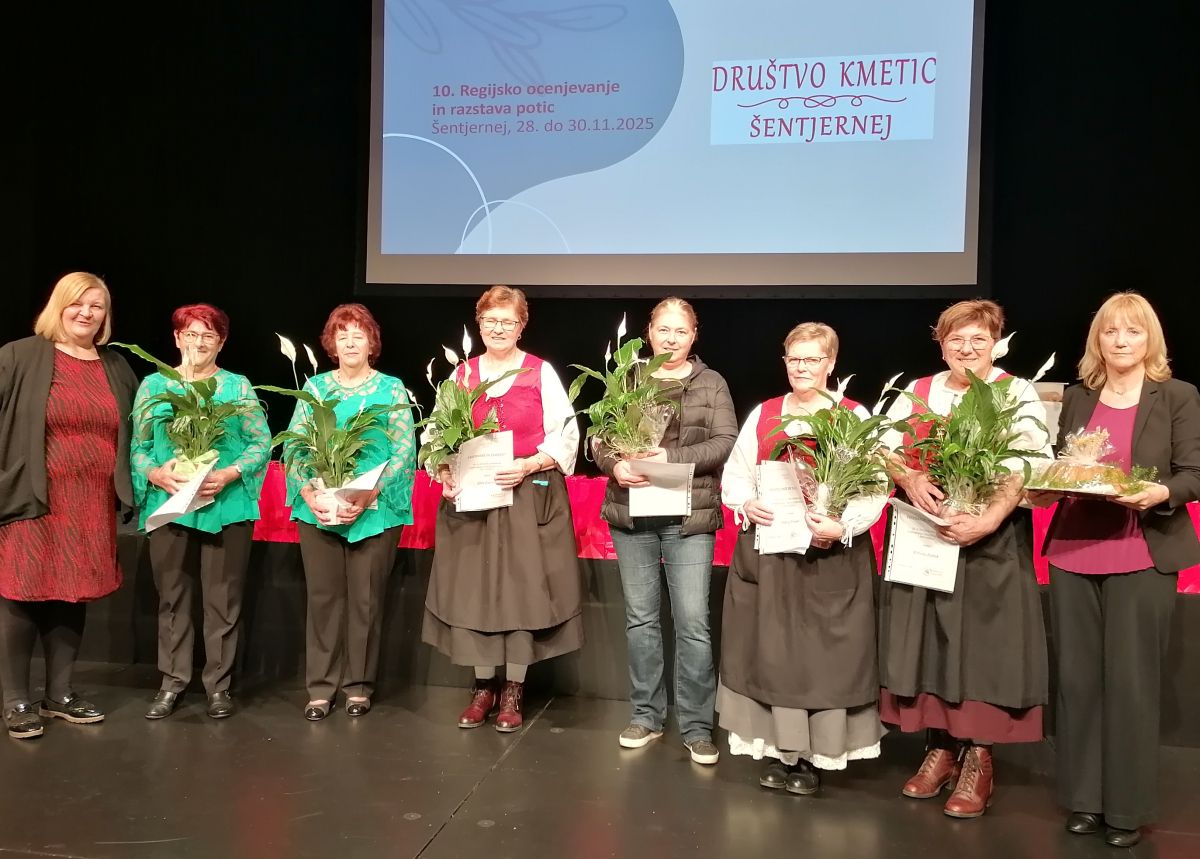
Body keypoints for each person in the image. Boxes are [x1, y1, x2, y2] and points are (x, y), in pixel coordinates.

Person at [1031, 292, 1200, 848]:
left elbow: (1193, 473)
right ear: (1097, 340)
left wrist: (1159, 493)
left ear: (1150, 339)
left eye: (1132, 331)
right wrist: (1046, 484)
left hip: (1141, 554)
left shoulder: (1177, 395)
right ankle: (1084, 800)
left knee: (1130, 684)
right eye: (1110, 331)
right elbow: (1065, 465)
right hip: (1073, 553)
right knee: (1078, 683)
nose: (1120, 341)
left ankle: (1126, 810)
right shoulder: (1078, 396)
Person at [878, 298, 1051, 818]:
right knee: (929, 642)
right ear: (941, 344)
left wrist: (990, 519)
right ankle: (940, 749)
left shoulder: (1015, 392)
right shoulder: (918, 392)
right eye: (956, 339)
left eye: (979, 339)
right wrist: (909, 476)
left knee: (982, 647)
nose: (967, 348)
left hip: (989, 540)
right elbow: (882, 447)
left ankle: (979, 757)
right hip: (927, 535)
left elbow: (1029, 464)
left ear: (996, 344)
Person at [718, 322, 886, 793]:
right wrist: (745, 501)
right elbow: (736, 473)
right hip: (772, 556)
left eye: (812, 359)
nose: (802, 368)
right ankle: (781, 750)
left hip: (829, 559)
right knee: (774, 656)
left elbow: (875, 485)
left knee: (821, 660)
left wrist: (842, 525)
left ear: (831, 363)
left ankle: (814, 757)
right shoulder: (765, 413)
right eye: (794, 359)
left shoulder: (852, 415)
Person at [423, 285, 583, 732]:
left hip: (526, 498)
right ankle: (482, 687)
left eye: (507, 322)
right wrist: (445, 470)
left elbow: (566, 435)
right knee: (476, 591)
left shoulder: (539, 372)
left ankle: (513, 688)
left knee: (520, 592)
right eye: (491, 321)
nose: (498, 329)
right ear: (479, 324)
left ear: (521, 326)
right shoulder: (462, 376)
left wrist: (529, 464)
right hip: (475, 502)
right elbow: (436, 433)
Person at [595, 297, 737, 765]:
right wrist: (615, 466)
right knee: (641, 620)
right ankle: (646, 716)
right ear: (649, 333)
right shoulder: (627, 378)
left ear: (693, 336)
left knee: (693, 622)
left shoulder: (712, 382)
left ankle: (696, 727)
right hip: (633, 513)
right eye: (663, 329)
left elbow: (725, 442)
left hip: (688, 518)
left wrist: (669, 459)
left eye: (681, 331)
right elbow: (599, 438)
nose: (671, 339)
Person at [0, 272, 138, 740]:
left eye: (96, 306)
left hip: (90, 502)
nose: (86, 313)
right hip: (32, 497)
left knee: (72, 593)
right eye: (77, 303)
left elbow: (136, 431)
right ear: (57, 306)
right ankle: (16, 700)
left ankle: (59, 694)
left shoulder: (115, 366)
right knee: (21, 591)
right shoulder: (20, 356)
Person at [131, 304, 270, 720]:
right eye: (190, 334)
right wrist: (155, 473)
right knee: (173, 598)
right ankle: (172, 682)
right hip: (170, 505)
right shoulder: (155, 385)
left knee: (222, 600)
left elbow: (260, 444)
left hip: (224, 504)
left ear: (221, 343)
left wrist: (229, 473)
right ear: (177, 339)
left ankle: (218, 686)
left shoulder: (236, 387)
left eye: (209, 335)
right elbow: (137, 448)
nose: (199, 342)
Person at [284, 304, 415, 721]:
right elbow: (294, 447)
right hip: (320, 510)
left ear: (371, 343)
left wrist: (369, 491)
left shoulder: (391, 389)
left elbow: (404, 451)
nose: (351, 343)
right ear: (332, 344)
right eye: (343, 336)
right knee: (323, 601)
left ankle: (358, 686)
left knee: (365, 602)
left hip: (374, 511)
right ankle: (320, 689)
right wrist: (309, 494)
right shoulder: (315, 388)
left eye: (359, 335)